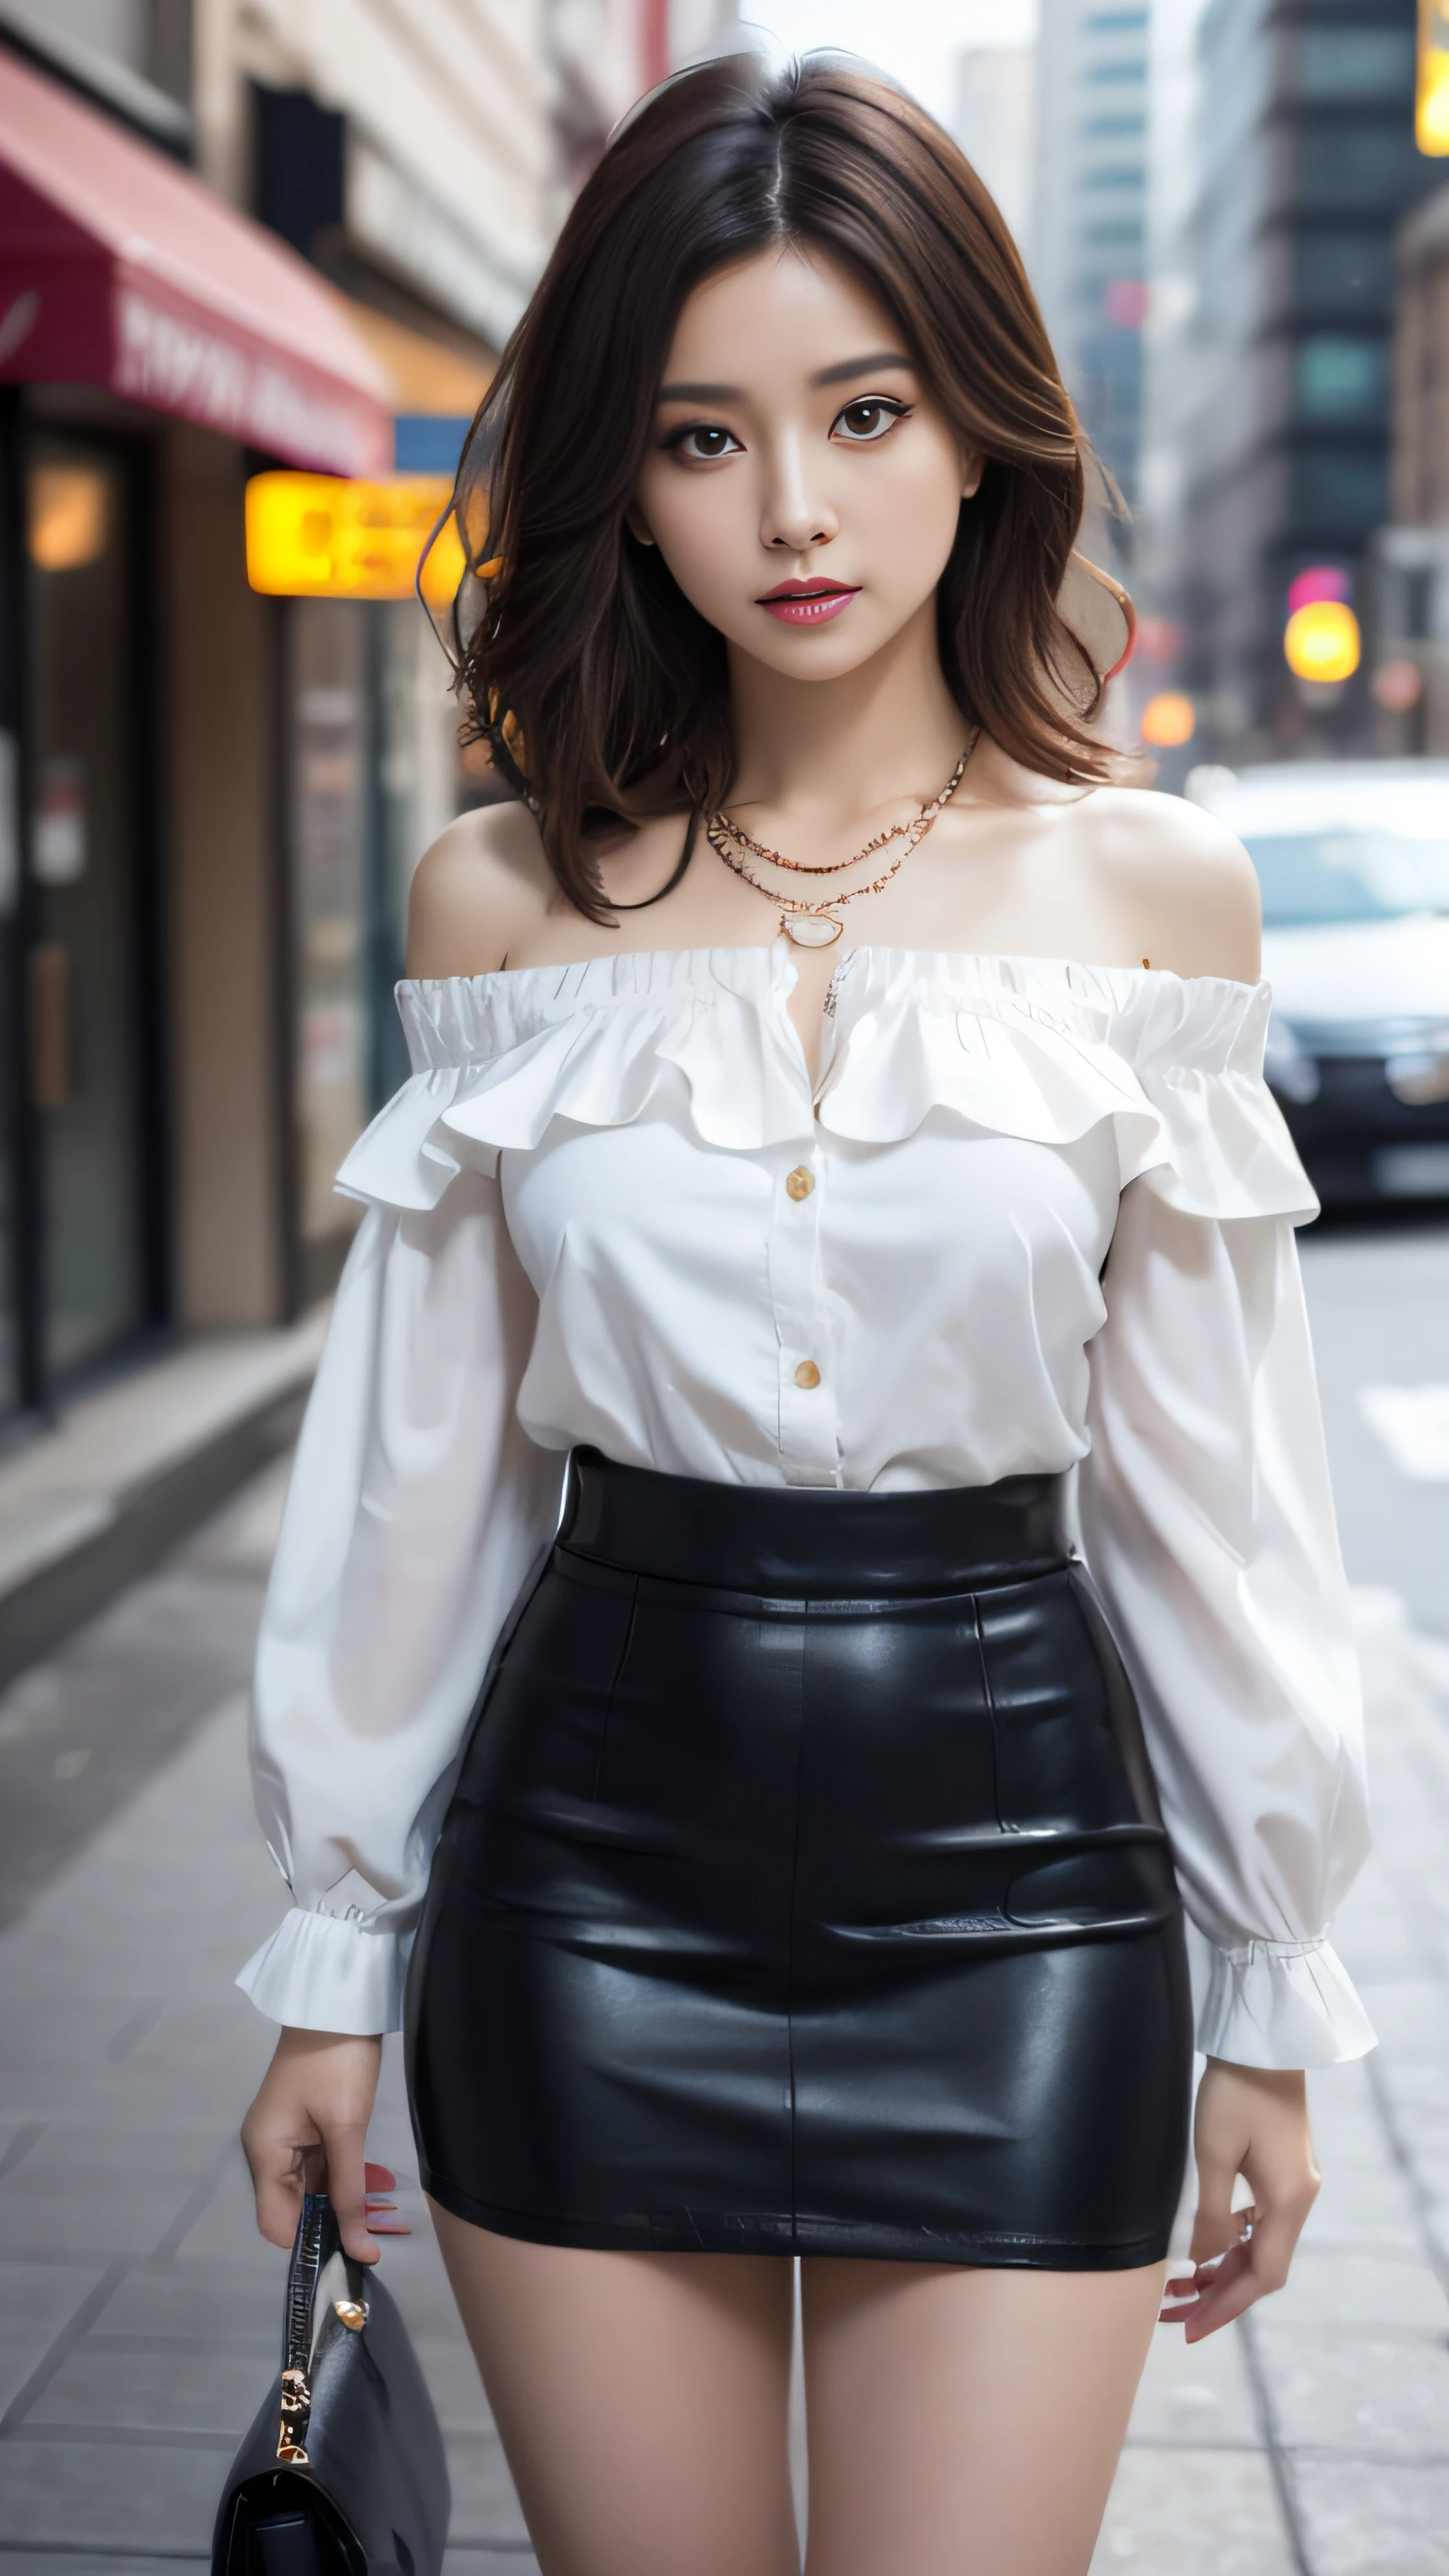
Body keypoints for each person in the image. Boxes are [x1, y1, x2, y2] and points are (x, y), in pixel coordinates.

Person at [238, 55, 1374, 2576]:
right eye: (698, 433)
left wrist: (1276, 1987)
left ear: (978, 428)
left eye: (861, 413)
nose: (792, 511)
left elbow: (1216, 1503)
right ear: (621, 482)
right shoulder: (505, 904)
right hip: (582, 1892)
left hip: (1025, 1905)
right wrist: (336, 1956)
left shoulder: (1152, 904)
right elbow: (419, 1480)